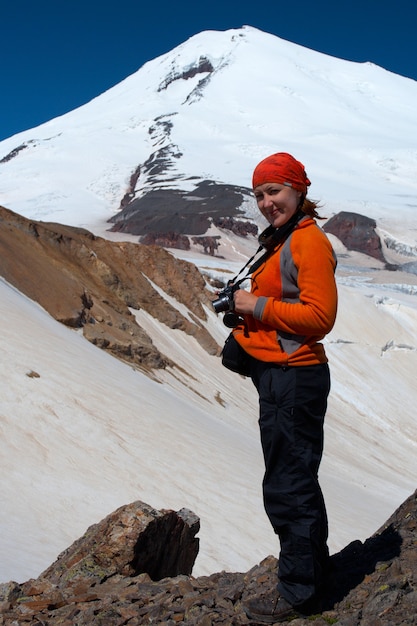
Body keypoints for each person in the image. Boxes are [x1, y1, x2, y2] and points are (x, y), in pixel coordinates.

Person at [232, 152, 338, 623]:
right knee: (294, 478)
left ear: (297, 189)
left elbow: (320, 317)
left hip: (295, 376)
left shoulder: (309, 242)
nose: (266, 202)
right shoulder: (285, 239)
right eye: (259, 194)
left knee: (288, 484)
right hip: (282, 374)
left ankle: (298, 593)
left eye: (274, 190)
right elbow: (286, 302)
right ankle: (313, 576)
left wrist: (255, 306)